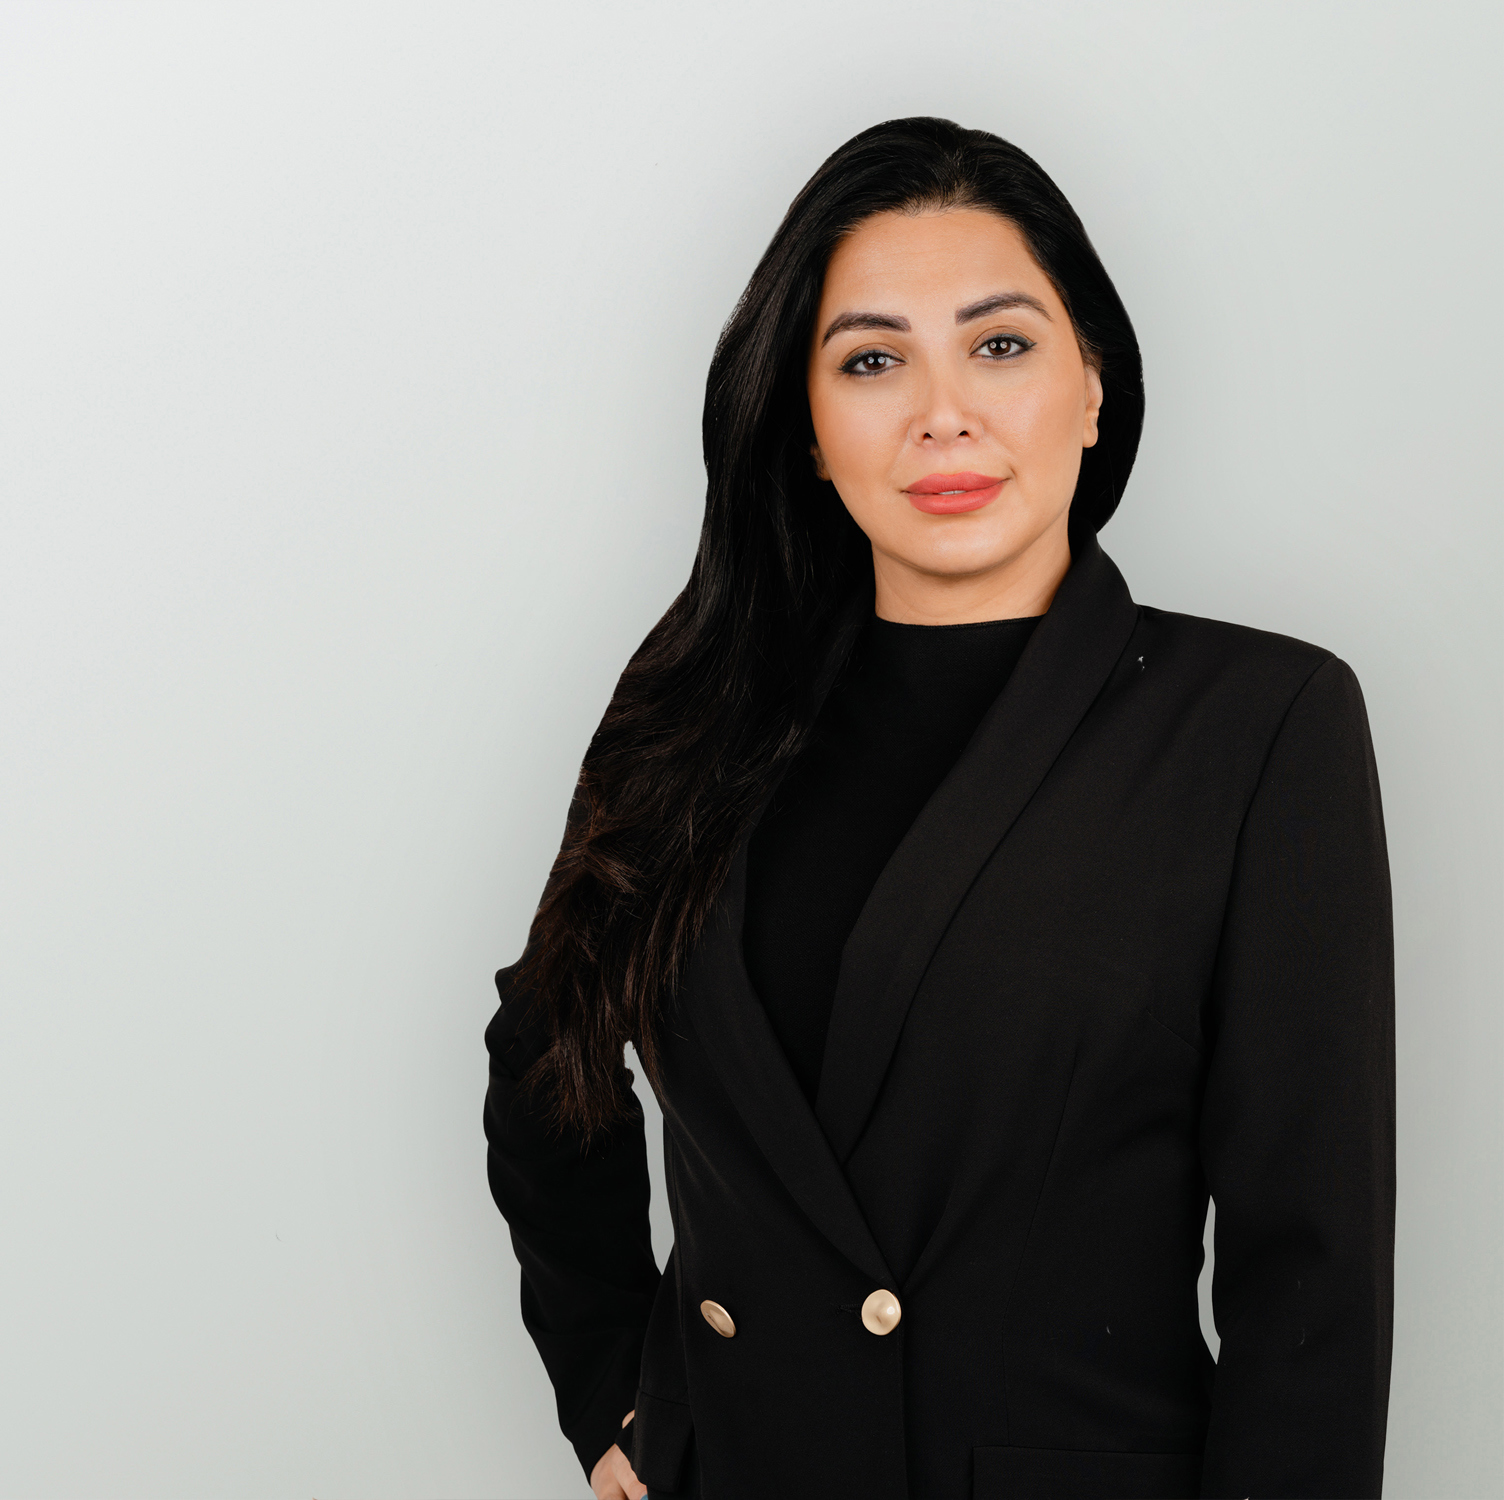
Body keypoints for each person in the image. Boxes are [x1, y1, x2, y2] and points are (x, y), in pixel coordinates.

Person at [484, 117, 1394, 1500]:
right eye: (871, 360)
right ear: (806, 427)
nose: (942, 413)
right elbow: (548, 1051)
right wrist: (615, 1388)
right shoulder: (697, 712)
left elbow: (1309, 1278)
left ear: (1095, 388)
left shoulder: (1259, 724)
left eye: (1002, 344)